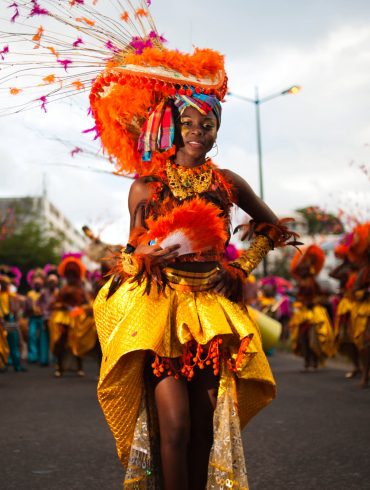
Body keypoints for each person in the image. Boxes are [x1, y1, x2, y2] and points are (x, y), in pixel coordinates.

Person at [289, 245, 335, 371]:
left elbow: (323, 295)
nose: (303, 270)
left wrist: (315, 300)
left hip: (314, 313)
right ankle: (307, 361)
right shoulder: (300, 284)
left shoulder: (316, 282)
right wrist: (301, 301)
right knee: (302, 338)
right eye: (302, 269)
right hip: (303, 313)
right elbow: (298, 296)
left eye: (306, 268)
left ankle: (314, 360)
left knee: (314, 337)